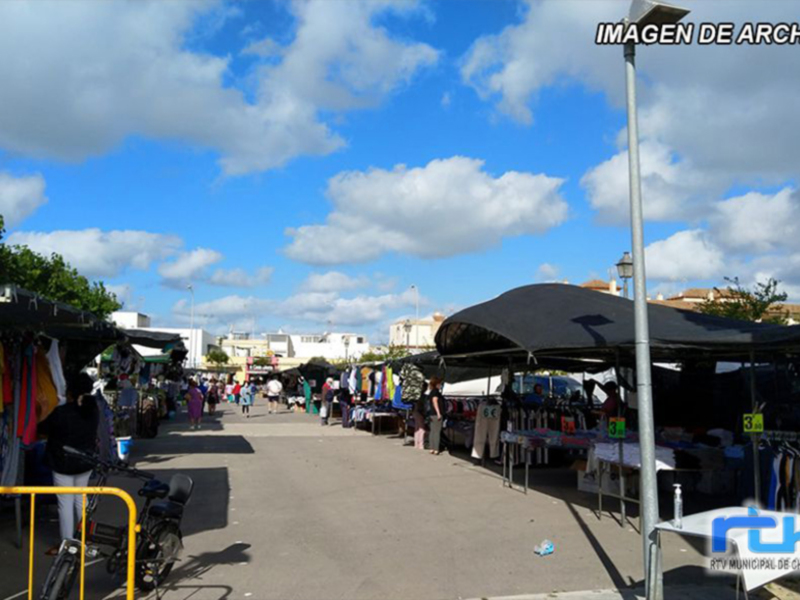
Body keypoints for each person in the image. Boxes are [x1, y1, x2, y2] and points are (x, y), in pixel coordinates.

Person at [38, 372, 99, 542]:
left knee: (65, 504)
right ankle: (84, 539)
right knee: (81, 501)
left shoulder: (61, 412)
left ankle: (68, 543)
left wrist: (44, 409)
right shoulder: (93, 410)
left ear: (70, 391)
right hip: (85, 463)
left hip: (62, 464)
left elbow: (42, 429)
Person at [426, 377, 446, 455]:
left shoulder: (431, 392)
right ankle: (436, 449)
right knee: (437, 432)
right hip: (436, 414)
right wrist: (438, 413)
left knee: (432, 431)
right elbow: (435, 401)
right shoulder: (436, 392)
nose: (441, 385)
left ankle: (431, 448)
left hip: (431, 413)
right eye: (440, 383)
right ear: (437, 384)